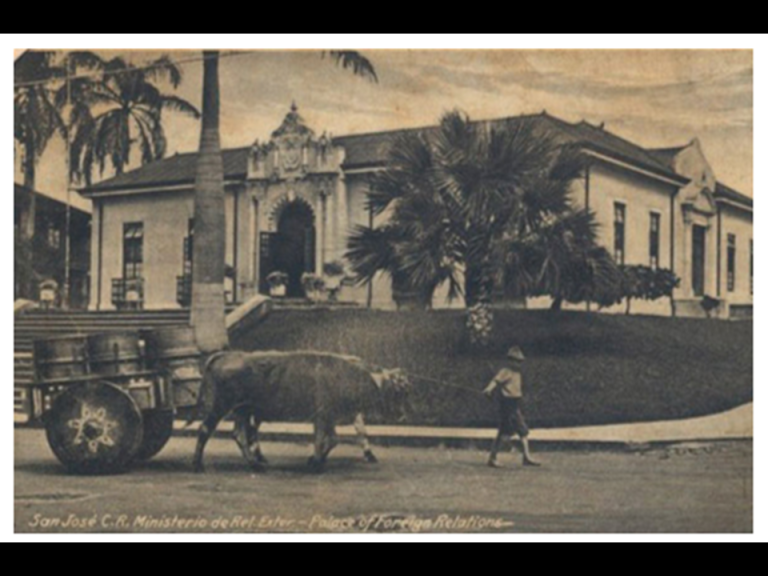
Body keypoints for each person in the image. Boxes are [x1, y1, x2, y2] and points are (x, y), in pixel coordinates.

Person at [483, 346, 541, 468]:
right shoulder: (506, 371)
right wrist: (489, 389)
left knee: (523, 431)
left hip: (515, 405)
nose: (518, 363)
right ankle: (493, 459)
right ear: (510, 360)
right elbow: (495, 381)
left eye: (520, 361)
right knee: (504, 432)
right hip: (507, 405)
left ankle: (526, 457)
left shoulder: (517, 373)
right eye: (516, 361)